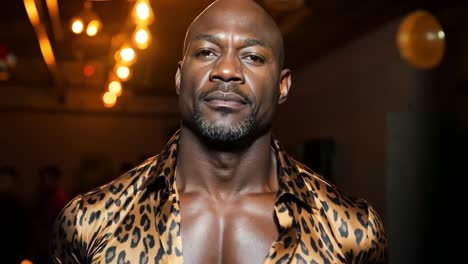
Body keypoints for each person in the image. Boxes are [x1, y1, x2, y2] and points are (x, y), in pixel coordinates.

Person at [50, 0, 387, 263]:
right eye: (207, 52)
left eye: (253, 57)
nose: (226, 70)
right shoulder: (91, 223)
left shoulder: (352, 232)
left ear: (282, 86)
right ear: (181, 78)